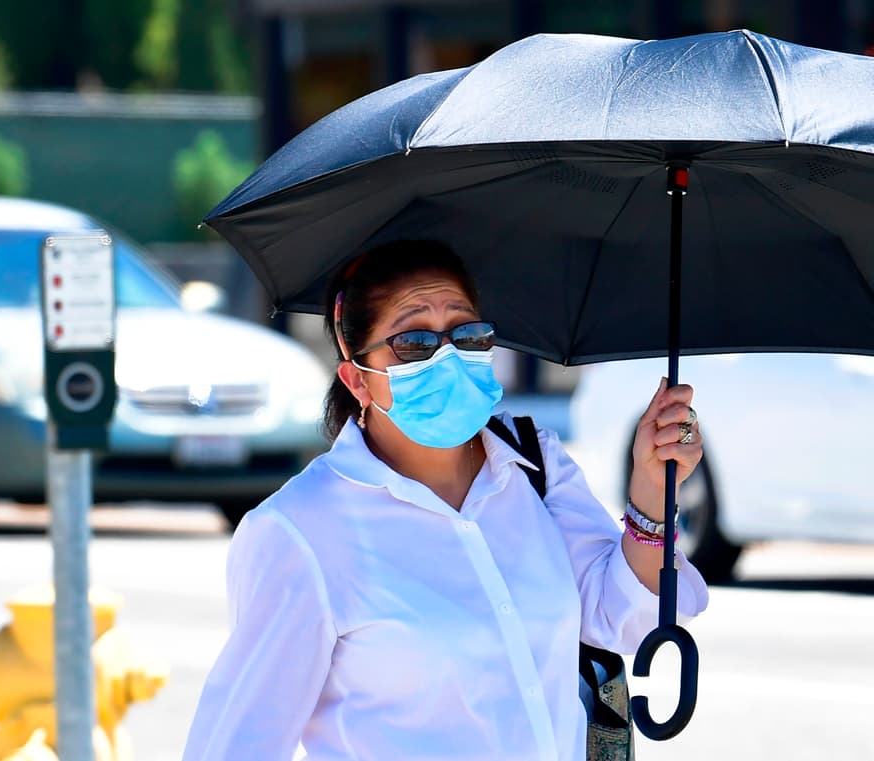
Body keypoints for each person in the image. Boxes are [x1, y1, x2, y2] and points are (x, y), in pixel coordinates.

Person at [181, 240, 709, 761]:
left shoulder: (534, 464)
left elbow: (622, 617)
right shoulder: (299, 531)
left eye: (468, 334)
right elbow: (238, 742)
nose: (448, 355)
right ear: (357, 380)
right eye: (413, 342)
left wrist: (651, 487)